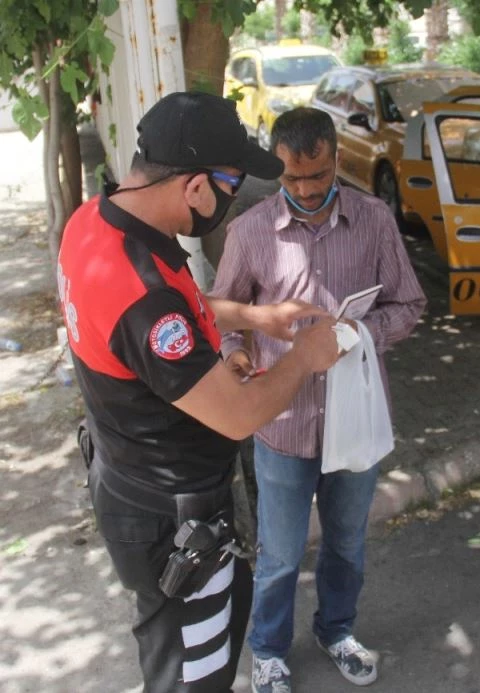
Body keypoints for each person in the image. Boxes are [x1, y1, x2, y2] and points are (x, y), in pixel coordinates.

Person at [57, 91, 341, 693]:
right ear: (193, 187)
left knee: (168, 649)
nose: (237, 199)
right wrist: (305, 360)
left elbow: (175, 316)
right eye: (233, 184)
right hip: (174, 519)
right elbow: (240, 416)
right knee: (195, 673)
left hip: (129, 484)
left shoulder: (95, 222)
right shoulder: (145, 294)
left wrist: (253, 318)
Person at [209, 107, 426, 692]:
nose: (306, 190)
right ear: (276, 168)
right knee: (278, 553)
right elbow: (223, 312)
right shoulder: (250, 231)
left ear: (335, 160)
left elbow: (408, 305)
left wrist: (359, 335)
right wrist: (236, 353)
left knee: (347, 544)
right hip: (282, 424)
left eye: (319, 176)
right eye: (292, 179)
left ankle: (336, 630)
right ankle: (269, 650)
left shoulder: (376, 220)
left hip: (354, 420)